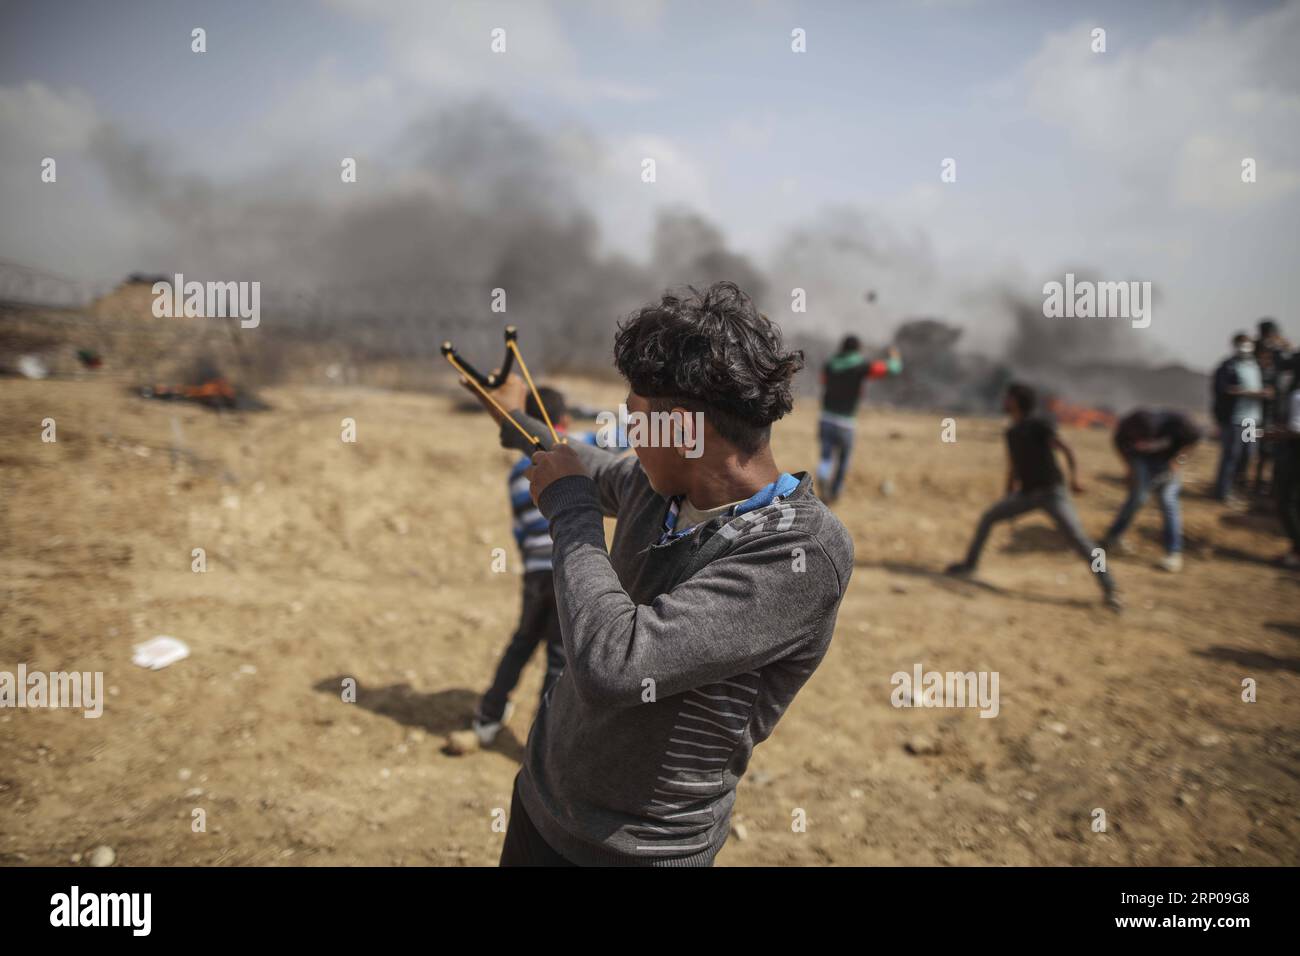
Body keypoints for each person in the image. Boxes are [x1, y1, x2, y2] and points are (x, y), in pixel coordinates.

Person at [461, 281, 853, 866]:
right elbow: (577, 462)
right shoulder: (660, 485)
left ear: (686, 430)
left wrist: (572, 512)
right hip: (542, 808)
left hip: (638, 851)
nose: (628, 439)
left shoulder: (797, 555)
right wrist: (514, 415)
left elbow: (615, 663)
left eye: (636, 423)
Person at [946, 383, 1120, 610]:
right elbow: (1013, 465)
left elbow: (1065, 449)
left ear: (1018, 402)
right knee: (988, 518)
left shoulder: (1039, 425)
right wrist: (1008, 495)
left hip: (1052, 494)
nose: (1005, 402)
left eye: (1009, 398)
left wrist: (1074, 479)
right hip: (1026, 494)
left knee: (1080, 540)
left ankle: (1110, 588)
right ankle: (969, 565)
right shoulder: (1011, 432)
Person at [471, 386, 576, 747]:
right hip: (565, 570)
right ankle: (540, 741)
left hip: (534, 571)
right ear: (561, 423)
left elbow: (518, 530)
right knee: (559, 658)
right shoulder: (569, 452)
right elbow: (615, 440)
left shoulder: (516, 472)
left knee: (522, 642)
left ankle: (487, 717)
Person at [1099, 409, 1201, 572]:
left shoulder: (1180, 424)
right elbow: (1120, 445)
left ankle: (1173, 553)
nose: (1142, 442)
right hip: (1141, 462)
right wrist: (1129, 467)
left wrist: (1179, 461)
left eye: (1145, 439)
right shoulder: (1128, 427)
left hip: (1168, 461)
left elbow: (1193, 440)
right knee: (1138, 498)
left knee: (1168, 502)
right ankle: (1113, 538)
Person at [816, 335, 902, 503]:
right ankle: (835, 492)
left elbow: (823, 381)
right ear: (858, 349)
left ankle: (823, 475)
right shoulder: (862, 366)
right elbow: (892, 369)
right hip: (846, 422)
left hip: (826, 418)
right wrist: (895, 356)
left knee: (826, 456)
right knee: (843, 460)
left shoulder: (830, 364)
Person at [1212, 333, 1272, 503]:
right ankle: (1222, 492)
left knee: (1248, 455)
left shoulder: (1255, 365)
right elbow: (1224, 390)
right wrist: (1251, 393)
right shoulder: (1228, 366)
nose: (1245, 348)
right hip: (1235, 418)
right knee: (1232, 455)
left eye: (1247, 344)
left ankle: (1236, 489)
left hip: (1251, 420)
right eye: (1241, 344)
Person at [1266, 380, 1300, 568]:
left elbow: (1296, 430)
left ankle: (1298, 552)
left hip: (1296, 455)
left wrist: (1274, 433)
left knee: (1287, 503)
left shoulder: (1297, 396)